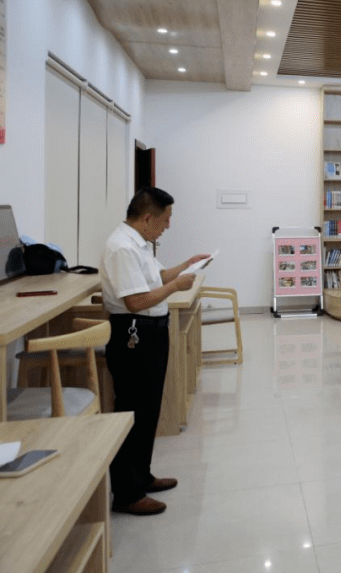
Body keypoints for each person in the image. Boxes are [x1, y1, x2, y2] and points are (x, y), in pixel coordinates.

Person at [101, 187, 208, 515]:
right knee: (132, 411)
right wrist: (175, 286)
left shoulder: (139, 243)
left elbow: (155, 277)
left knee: (148, 410)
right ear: (147, 218)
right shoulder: (122, 248)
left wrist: (184, 267)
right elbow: (136, 301)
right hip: (134, 335)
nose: (168, 226)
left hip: (151, 333)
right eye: (165, 220)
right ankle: (127, 493)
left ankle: (142, 476)